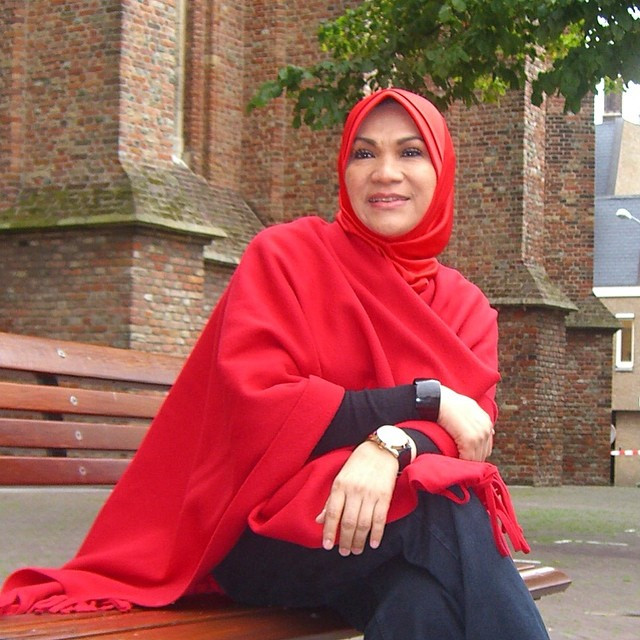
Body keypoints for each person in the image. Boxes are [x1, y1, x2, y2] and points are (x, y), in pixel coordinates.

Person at [0, 88, 550, 639]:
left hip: (376, 535)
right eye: (364, 153)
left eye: (410, 152)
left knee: (419, 602)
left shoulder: (466, 306)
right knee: (446, 506)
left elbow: (468, 433)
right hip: (261, 533)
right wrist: (424, 400)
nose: (385, 172)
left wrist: (389, 446)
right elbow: (263, 406)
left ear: (442, 171)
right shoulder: (286, 256)